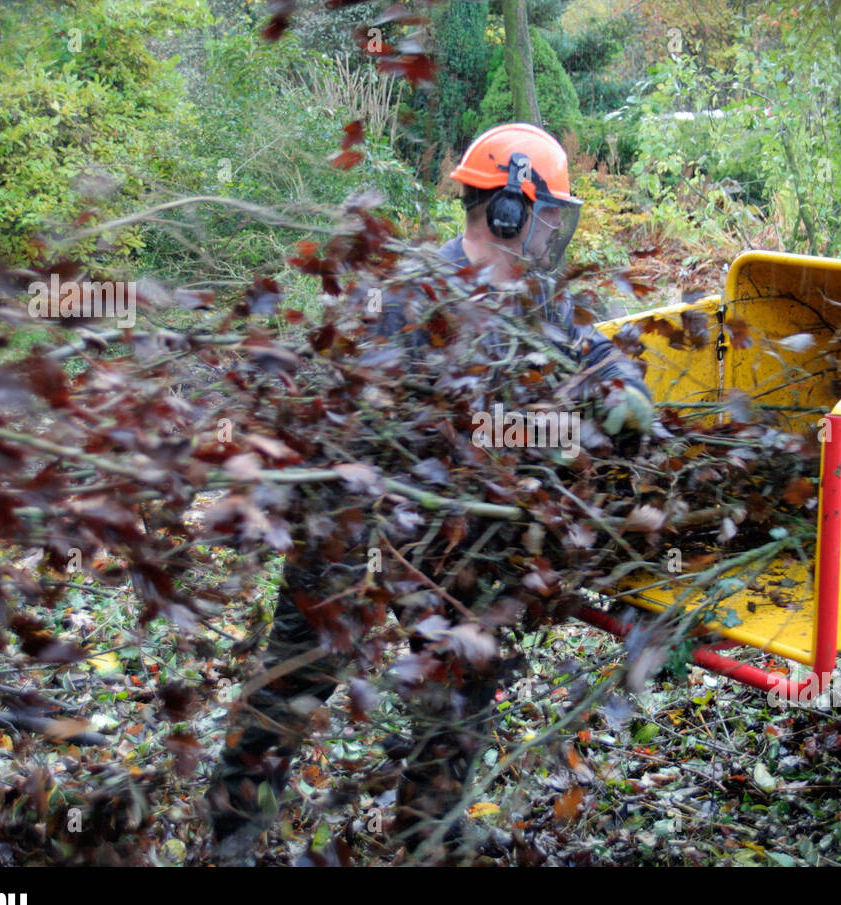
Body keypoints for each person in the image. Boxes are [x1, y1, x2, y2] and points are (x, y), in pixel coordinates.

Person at [206, 125, 652, 861]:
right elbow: (433, 429)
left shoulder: (543, 303)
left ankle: (428, 831)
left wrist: (620, 391)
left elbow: (598, 360)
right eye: (546, 213)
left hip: (450, 527)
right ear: (509, 209)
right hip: (350, 511)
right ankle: (234, 834)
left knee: (464, 670)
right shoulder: (405, 297)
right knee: (305, 666)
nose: (553, 230)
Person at [380, 123, 653, 419]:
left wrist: (627, 393)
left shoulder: (542, 296)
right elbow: (394, 421)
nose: (559, 223)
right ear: (509, 212)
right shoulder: (415, 297)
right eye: (551, 209)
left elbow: (599, 354)